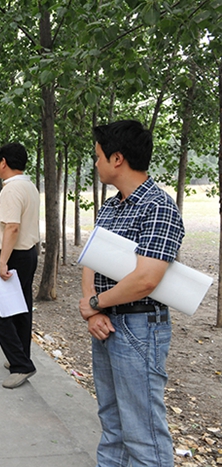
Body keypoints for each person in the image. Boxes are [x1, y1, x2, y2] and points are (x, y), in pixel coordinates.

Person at [79, 120, 184, 466]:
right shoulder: (111, 207)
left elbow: (146, 279)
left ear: (117, 158)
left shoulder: (158, 207)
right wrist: (94, 310)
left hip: (139, 329)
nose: (96, 163)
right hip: (105, 325)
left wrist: (95, 303)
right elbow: (91, 259)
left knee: (143, 433)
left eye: (99, 156)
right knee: (112, 424)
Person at [0, 143, 40, 389]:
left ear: (3, 162)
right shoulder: (29, 187)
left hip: (12, 256)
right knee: (20, 308)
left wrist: (3, 261)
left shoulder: (12, 189)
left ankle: (21, 364)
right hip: (27, 254)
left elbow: (12, 227)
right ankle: (20, 355)